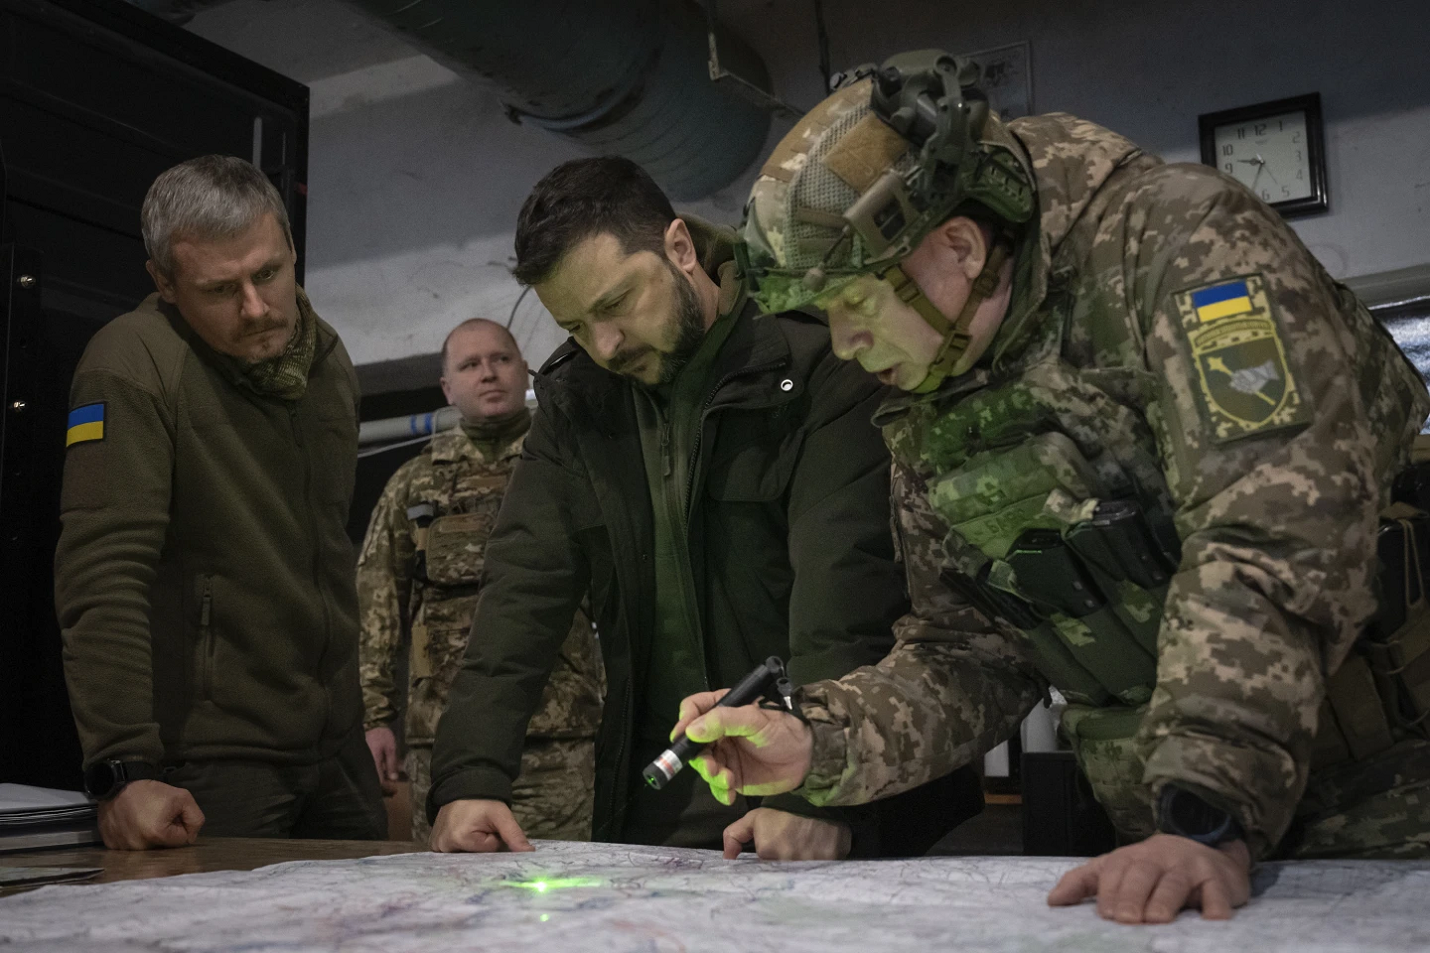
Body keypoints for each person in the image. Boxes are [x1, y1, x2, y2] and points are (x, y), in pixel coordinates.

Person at [671, 50, 1430, 921]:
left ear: (956, 245)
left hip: (1386, 804)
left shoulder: (1179, 244)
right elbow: (971, 650)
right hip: (1175, 836)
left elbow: (1273, 525)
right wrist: (817, 740)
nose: (843, 345)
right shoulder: (935, 382)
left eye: (856, 305)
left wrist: (1204, 803)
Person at [427, 156, 982, 858]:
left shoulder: (814, 357)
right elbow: (520, 590)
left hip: (844, 794)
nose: (604, 344)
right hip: (667, 801)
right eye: (574, 325)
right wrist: (469, 776)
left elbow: (845, 590)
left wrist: (810, 789)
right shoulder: (580, 403)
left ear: (680, 248)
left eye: (615, 303)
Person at [55, 156, 385, 848]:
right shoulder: (130, 362)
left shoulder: (329, 361)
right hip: (212, 763)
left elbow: (328, 551)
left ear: (292, 251)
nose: (257, 307)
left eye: (268, 273)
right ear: (165, 284)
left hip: (337, 752)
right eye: (220, 288)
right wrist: (121, 768)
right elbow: (102, 571)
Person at [358, 317, 604, 845]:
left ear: (525, 370)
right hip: (444, 739)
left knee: (571, 893)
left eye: (501, 359)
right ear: (447, 388)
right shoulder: (413, 484)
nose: (488, 374)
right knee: (454, 901)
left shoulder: (575, 466)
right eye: (470, 365)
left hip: (559, 736)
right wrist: (376, 717)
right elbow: (378, 604)